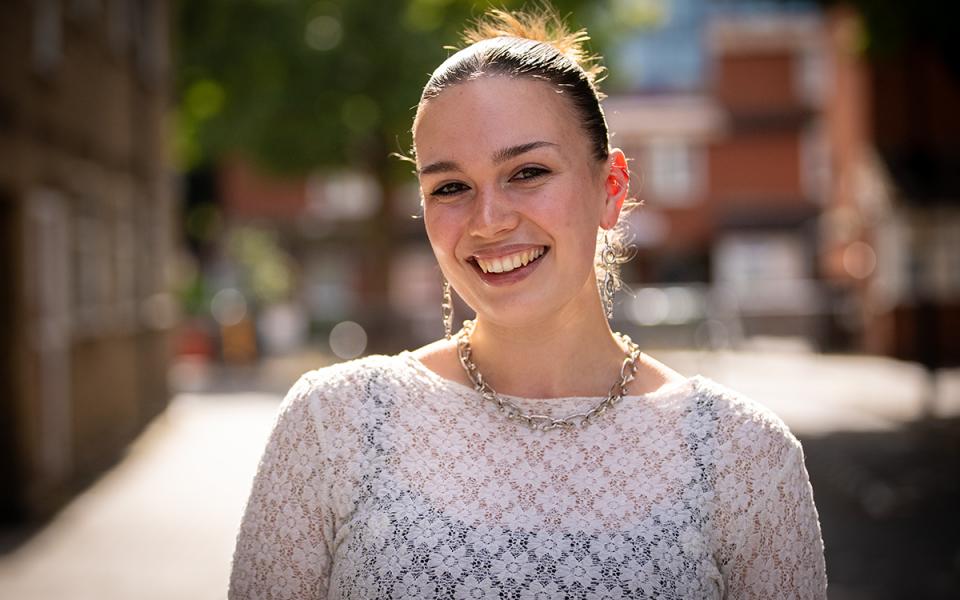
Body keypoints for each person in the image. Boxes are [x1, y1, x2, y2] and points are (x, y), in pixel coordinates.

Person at [228, 7, 827, 599]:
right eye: (451, 187)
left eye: (528, 171)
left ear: (611, 189)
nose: (489, 221)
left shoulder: (745, 459)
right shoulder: (332, 425)